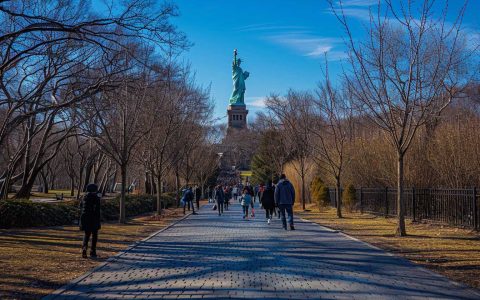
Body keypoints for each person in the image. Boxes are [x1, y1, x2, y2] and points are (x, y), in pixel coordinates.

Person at [79, 183, 101, 258]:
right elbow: (98, 209)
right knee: (94, 235)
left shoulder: (84, 197)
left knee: (86, 235)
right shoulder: (96, 198)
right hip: (94, 218)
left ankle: (84, 249)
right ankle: (93, 251)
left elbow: (80, 207)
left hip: (85, 218)